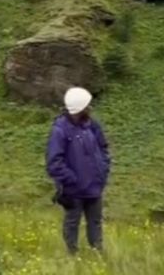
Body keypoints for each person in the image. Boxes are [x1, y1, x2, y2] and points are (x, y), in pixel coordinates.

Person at [45, 86, 111, 254]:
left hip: (95, 187)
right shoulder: (60, 130)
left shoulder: (92, 125)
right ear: (80, 108)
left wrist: (103, 169)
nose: (90, 108)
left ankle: (97, 252)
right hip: (74, 190)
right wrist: (71, 180)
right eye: (87, 105)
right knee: (72, 223)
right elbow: (54, 163)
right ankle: (72, 255)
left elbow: (103, 148)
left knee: (95, 222)